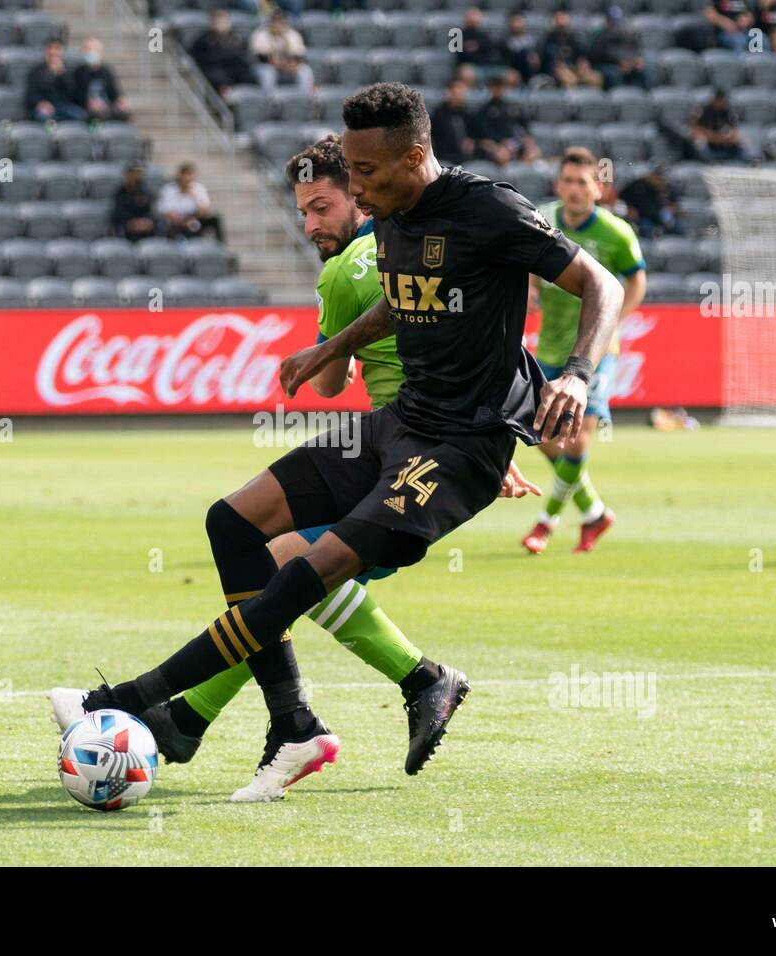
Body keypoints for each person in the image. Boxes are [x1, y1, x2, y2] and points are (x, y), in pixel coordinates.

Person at [49, 82, 623, 802]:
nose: (357, 187)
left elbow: (600, 282)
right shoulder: (389, 211)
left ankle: (133, 700)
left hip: (458, 450)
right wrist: (333, 349)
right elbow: (403, 295)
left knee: (305, 571)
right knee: (232, 520)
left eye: (367, 174)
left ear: (416, 155)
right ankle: (291, 721)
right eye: (349, 174)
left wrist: (574, 373)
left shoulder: (489, 209)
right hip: (398, 423)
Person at [126, 135, 527, 771]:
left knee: (281, 568)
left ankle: (197, 715)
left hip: (405, 456)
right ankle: (200, 718)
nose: (311, 224)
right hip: (444, 444)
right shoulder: (415, 247)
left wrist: (328, 341)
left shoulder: (345, 271)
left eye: (321, 208)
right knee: (291, 575)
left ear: (358, 199)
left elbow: (330, 384)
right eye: (303, 213)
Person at [522, 148, 646, 555]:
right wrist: (532, 288)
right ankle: (593, 512)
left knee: (575, 441)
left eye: (583, 182)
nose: (575, 190)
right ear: (559, 185)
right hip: (552, 344)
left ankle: (546, 522)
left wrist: (613, 325)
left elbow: (636, 281)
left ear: (598, 187)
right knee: (537, 432)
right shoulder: (542, 220)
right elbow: (525, 263)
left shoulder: (615, 233)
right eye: (568, 182)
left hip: (593, 352)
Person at [188, 7, 256, 99]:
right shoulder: (203, 40)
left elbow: (243, 54)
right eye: (217, 21)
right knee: (216, 75)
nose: (220, 24)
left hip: (236, 69)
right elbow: (200, 57)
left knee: (250, 75)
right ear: (211, 22)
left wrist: (226, 54)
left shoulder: (237, 37)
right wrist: (226, 54)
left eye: (223, 20)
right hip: (216, 70)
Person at [475, 74, 541, 165]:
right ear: (490, 88)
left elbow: (523, 122)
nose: (498, 90)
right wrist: (501, 142)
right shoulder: (484, 110)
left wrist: (527, 138)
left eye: (500, 86)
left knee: (534, 152)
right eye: (495, 86)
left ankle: (521, 173)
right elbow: (485, 132)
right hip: (495, 143)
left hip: (513, 141)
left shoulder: (511, 106)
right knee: (502, 154)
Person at [249, 8, 313, 94]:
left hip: (287, 66)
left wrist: (292, 64)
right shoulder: (260, 34)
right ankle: (270, 101)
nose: (277, 23)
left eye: (280, 20)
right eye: (275, 20)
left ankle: (304, 99)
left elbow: (299, 55)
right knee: (268, 72)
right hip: (265, 66)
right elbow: (261, 58)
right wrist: (279, 64)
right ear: (270, 21)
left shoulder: (293, 34)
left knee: (305, 70)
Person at [156, 163, 222, 241]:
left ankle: (221, 246)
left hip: (194, 219)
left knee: (214, 219)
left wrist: (194, 197)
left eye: (190, 175)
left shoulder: (199, 188)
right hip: (176, 221)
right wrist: (181, 221)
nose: (188, 178)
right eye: (186, 175)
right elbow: (164, 210)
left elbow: (205, 210)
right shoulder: (169, 189)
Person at [688, 88, 756, 163]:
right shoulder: (702, 110)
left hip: (722, 141)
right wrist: (712, 136)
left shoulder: (728, 111)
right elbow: (694, 129)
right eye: (720, 100)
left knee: (742, 142)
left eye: (724, 100)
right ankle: (705, 163)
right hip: (708, 141)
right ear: (714, 99)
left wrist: (729, 137)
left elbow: (734, 130)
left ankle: (751, 161)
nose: (722, 103)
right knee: (700, 142)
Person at [26, 40, 87, 123]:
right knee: (42, 117)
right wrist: (41, 103)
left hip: (63, 105)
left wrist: (61, 73)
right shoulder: (35, 71)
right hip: (44, 105)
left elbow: (73, 92)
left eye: (57, 49)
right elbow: (31, 94)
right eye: (50, 49)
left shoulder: (68, 71)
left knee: (81, 115)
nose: (53, 53)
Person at [72, 37, 130, 122]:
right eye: (88, 49)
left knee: (124, 115)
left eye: (94, 50)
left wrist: (120, 100)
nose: (91, 52)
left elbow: (114, 93)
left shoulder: (106, 71)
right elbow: (74, 95)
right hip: (87, 110)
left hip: (106, 107)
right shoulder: (78, 72)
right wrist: (88, 102)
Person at [590, 6, 647, 90]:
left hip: (627, 63)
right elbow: (599, 53)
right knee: (614, 74)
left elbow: (634, 48)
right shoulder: (600, 33)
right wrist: (619, 62)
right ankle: (617, 100)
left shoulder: (626, 33)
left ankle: (643, 99)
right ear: (607, 20)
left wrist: (636, 59)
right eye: (612, 20)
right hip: (606, 64)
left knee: (642, 72)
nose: (615, 23)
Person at [542, 10, 602, 89]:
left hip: (574, 68)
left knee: (595, 78)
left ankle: (592, 100)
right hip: (555, 71)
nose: (563, 26)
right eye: (560, 24)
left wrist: (583, 64)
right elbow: (549, 61)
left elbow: (582, 56)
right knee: (569, 78)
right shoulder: (548, 39)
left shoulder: (574, 39)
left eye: (565, 23)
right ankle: (571, 101)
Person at [619, 166, 682, 238]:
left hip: (660, 217)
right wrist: (629, 207)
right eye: (658, 178)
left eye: (662, 179)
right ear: (652, 176)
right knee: (646, 227)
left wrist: (674, 208)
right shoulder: (639, 186)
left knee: (678, 228)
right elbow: (644, 207)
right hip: (643, 218)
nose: (660, 181)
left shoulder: (666, 188)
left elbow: (674, 202)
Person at [430, 79, 478, 167]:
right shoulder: (438, 114)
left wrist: (471, 141)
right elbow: (432, 136)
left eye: (460, 93)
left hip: (464, 157)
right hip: (444, 156)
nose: (458, 96)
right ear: (449, 93)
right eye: (455, 92)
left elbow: (474, 134)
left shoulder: (467, 114)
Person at [110, 162, 157, 241]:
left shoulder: (145, 192)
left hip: (143, 224)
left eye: (138, 174)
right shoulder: (120, 192)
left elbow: (148, 210)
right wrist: (132, 222)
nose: (136, 176)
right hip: (126, 224)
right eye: (133, 173)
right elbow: (118, 212)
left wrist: (145, 220)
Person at [503, 12, 542, 86]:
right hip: (513, 69)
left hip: (533, 69)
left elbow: (538, 56)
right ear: (509, 24)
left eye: (519, 21)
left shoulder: (532, 40)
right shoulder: (504, 41)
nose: (516, 25)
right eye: (514, 21)